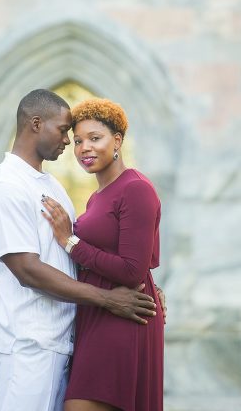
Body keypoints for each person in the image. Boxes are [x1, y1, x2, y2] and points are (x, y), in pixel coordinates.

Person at [0, 89, 157, 411]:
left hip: (68, 335)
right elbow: (27, 269)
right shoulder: (6, 185)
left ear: (117, 141)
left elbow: (86, 252)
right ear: (35, 123)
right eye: (67, 133)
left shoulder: (49, 184)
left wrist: (146, 285)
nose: (70, 143)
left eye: (89, 137)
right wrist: (107, 297)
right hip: (29, 340)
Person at [41, 98, 164, 411]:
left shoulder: (136, 189)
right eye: (79, 141)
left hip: (122, 318)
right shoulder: (98, 196)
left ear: (117, 141)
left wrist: (70, 242)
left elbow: (132, 270)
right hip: (98, 312)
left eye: (95, 139)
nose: (85, 148)